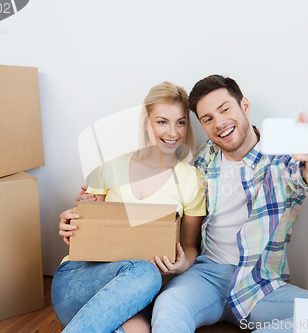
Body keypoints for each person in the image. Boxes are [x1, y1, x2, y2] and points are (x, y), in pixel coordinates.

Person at [148, 75, 308, 333]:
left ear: (245, 106)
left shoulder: (282, 158)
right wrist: (99, 199)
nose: (219, 123)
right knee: (169, 305)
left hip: (261, 284)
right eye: (207, 119)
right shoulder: (204, 157)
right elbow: (169, 196)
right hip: (207, 276)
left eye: (225, 109)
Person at [53, 81, 206, 333]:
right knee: (146, 271)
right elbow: (83, 232)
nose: (173, 132)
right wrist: (70, 226)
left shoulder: (192, 180)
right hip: (80, 282)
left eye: (180, 122)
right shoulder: (109, 167)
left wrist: (182, 265)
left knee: (140, 329)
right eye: (162, 121)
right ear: (146, 123)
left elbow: (190, 246)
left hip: (138, 296)